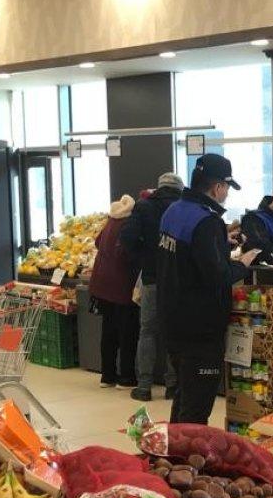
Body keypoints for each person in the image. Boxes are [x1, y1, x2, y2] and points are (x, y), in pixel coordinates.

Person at [157, 154, 256, 424]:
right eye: (226, 188)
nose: (225, 195)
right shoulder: (207, 222)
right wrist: (243, 263)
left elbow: (186, 259)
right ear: (217, 188)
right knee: (197, 406)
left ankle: (172, 459)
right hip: (200, 329)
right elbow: (218, 275)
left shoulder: (174, 210)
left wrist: (220, 242)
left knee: (183, 395)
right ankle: (189, 464)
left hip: (172, 321)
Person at [120, 171, 183, 402]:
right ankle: (172, 385)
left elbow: (127, 238)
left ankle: (144, 387)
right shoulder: (182, 208)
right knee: (173, 332)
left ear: (158, 187)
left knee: (147, 331)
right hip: (177, 280)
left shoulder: (143, 206)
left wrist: (144, 258)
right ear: (179, 189)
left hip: (151, 278)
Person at [88, 195, 139, 389]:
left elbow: (97, 242)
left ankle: (107, 376)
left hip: (102, 284)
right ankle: (126, 377)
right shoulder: (129, 224)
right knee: (127, 332)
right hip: (121, 284)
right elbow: (126, 253)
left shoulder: (111, 220)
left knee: (108, 331)